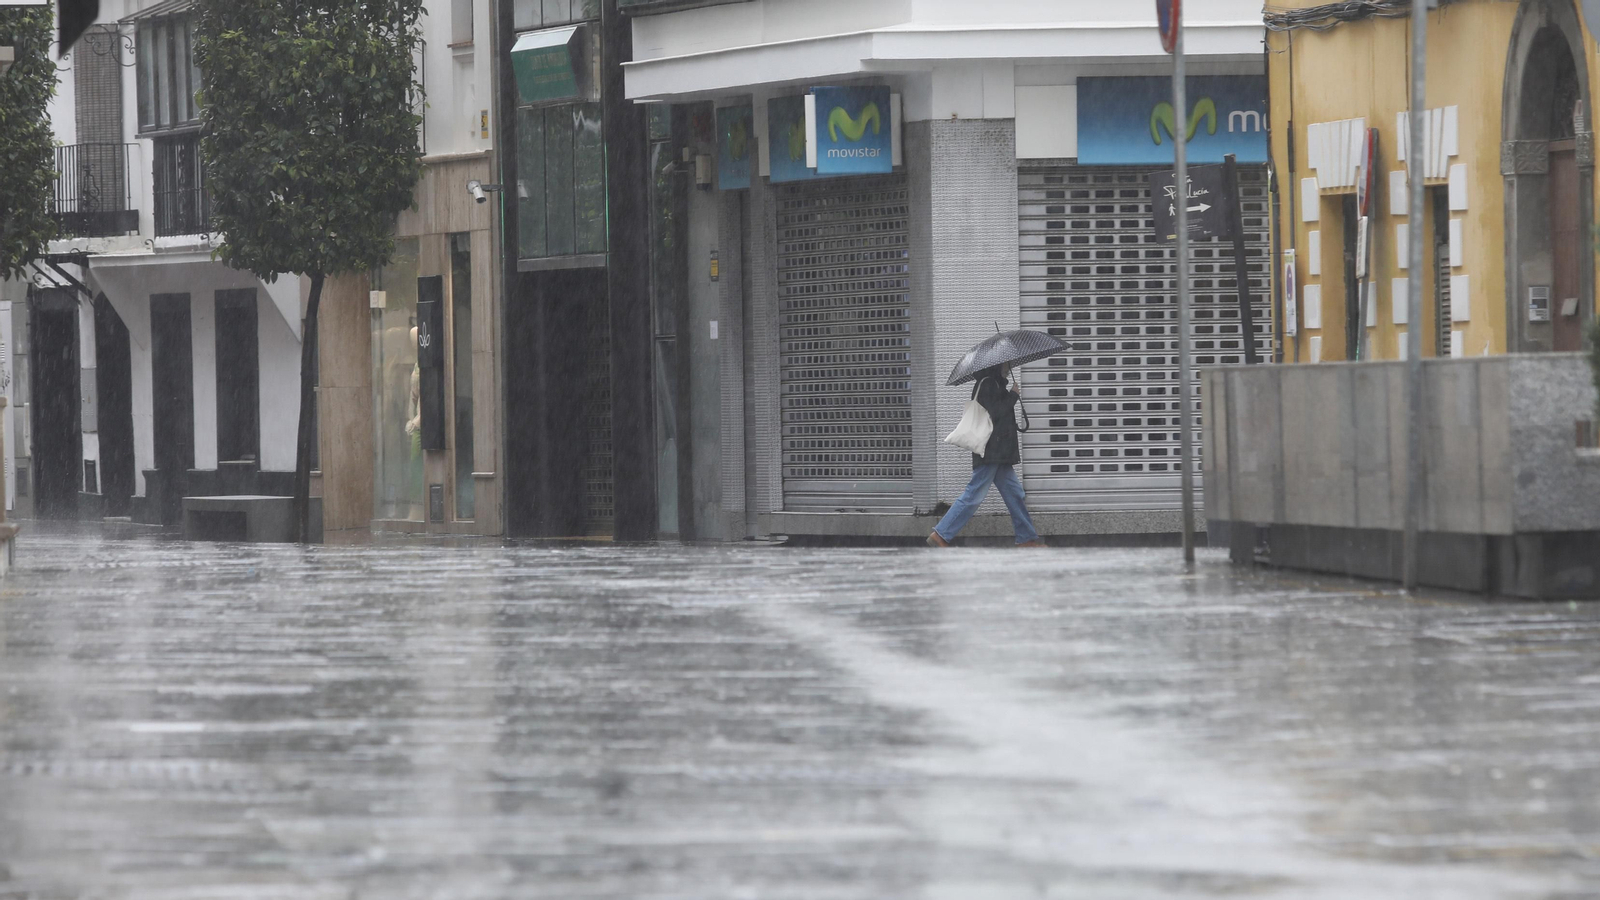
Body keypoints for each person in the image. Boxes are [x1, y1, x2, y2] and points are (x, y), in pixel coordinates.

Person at [928, 362, 1045, 548]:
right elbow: (995, 412)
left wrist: (1009, 393)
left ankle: (1027, 538)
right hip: (991, 452)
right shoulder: (989, 383)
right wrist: (1013, 395)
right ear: (997, 365)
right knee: (974, 494)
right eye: (1006, 364)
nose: (1009, 367)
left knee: (1014, 494)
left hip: (999, 454)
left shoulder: (995, 383)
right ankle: (941, 534)